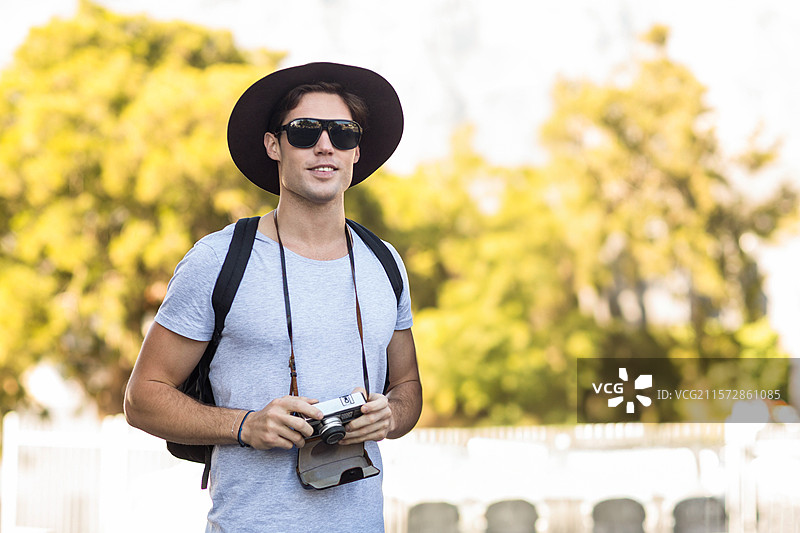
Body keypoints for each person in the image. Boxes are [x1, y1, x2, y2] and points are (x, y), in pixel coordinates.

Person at [124, 62, 422, 532]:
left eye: (342, 133)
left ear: (356, 151)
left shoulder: (385, 262)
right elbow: (141, 398)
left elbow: (408, 388)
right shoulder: (218, 259)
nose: (325, 145)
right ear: (273, 145)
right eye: (304, 131)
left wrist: (390, 417)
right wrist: (246, 426)